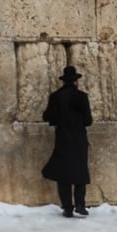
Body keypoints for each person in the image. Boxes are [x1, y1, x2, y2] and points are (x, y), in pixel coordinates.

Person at [41, 65, 93, 218]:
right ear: (76, 81)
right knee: (80, 171)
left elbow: (47, 117)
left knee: (63, 174)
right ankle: (80, 204)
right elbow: (88, 121)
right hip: (79, 138)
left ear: (64, 81)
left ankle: (68, 208)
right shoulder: (82, 97)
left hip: (63, 138)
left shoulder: (55, 97)